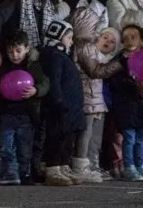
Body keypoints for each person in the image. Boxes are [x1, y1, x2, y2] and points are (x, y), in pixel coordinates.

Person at [69, 3, 123, 182]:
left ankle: (88, 165)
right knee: (86, 133)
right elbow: (96, 71)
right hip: (88, 95)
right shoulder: (86, 46)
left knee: (90, 134)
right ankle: (81, 167)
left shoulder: (79, 44)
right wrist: (119, 62)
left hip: (90, 95)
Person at [0, 31, 50, 186]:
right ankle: (10, 173)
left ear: (27, 49)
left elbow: (45, 83)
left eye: (18, 51)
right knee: (5, 146)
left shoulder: (33, 66)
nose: (14, 55)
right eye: (10, 52)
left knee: (25, 146)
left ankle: (25, 173)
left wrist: (36, 90)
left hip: (26, 115)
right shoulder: (3, 67)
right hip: (7, 114)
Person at [107, 25, 143, 182]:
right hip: (126, 106)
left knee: (141, 139)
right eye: (126, 37)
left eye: (134, 36)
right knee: (129, 138)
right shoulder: (119, 61)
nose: (129, 40)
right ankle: (128, 166)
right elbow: (115, 83)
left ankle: (142, 165)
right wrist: (132, 85)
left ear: (142, 40)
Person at [38, 20, 85, 187]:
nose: (71, 42)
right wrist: (58, 101)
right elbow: (54, 81)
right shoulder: (53, 56)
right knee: (57, 137)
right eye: (69, 37)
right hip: (60, 107)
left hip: (70, 107)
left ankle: (64, 165)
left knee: (67, 138)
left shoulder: (64, 55)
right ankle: (53, 168)